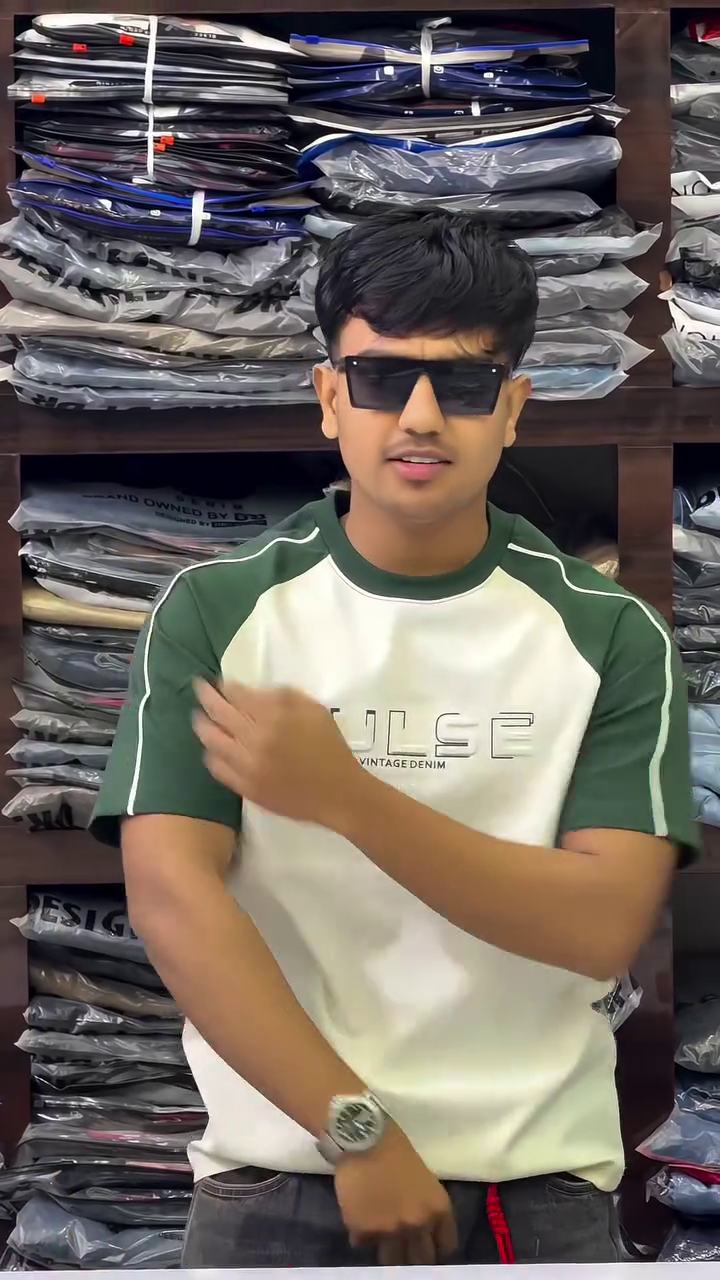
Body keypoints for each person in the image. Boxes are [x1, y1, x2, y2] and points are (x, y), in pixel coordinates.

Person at [90, 211, 697, 1268]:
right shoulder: (219, 610)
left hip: (533, 1188)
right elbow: (172, 899)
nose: (419, 417)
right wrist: (356, 1130)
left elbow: (601, 925)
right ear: (330, 397)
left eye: (463, 385)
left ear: (514, 409)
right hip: (280, 1179)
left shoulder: (608, 634)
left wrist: (347, 796)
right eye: (379, 378)